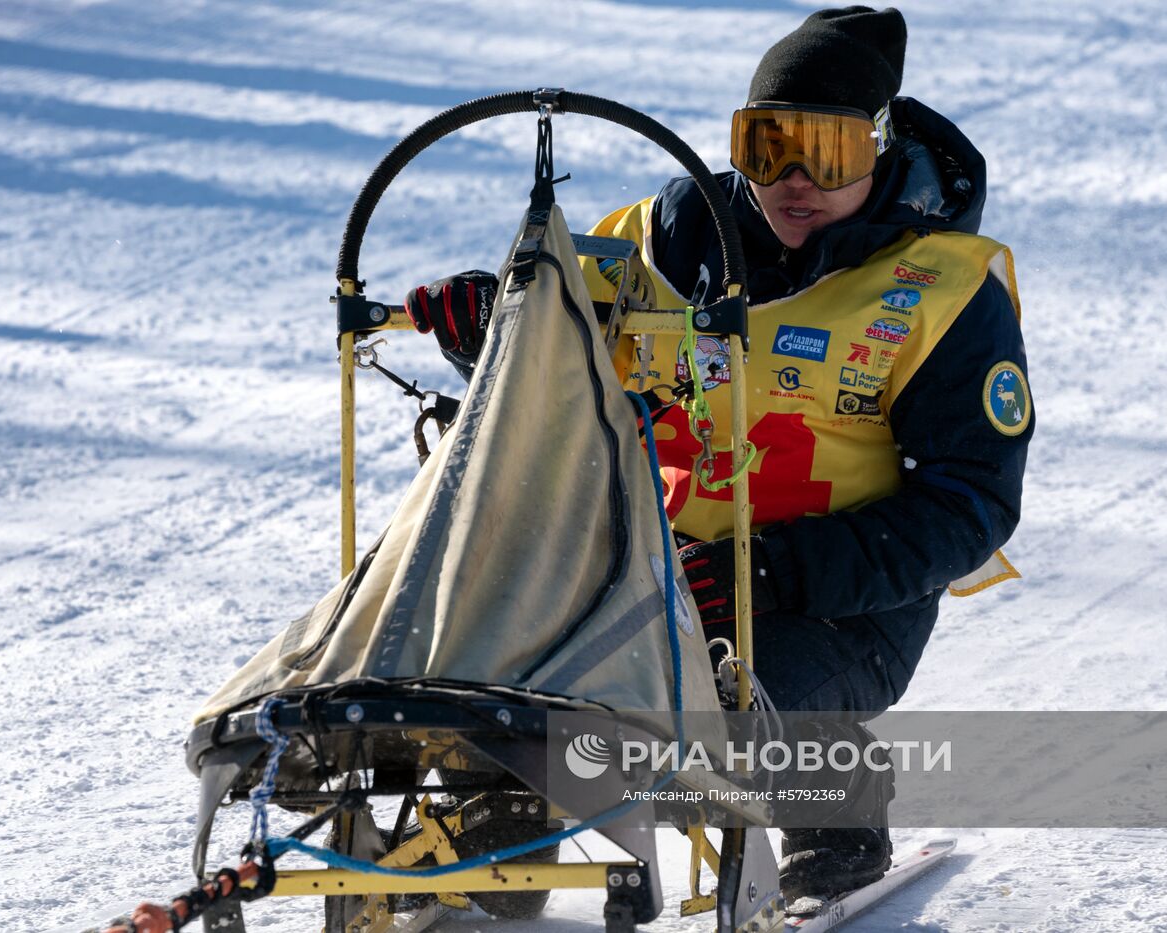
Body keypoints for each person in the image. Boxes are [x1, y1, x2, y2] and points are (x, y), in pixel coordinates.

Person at [405, 5, 1032, 907]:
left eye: (830, 152)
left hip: (832, 606)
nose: (794, 179)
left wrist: (768, 569)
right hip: (646, 571)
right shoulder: (662, 237)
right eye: (768, 143)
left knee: (715, 700)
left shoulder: (943, 288)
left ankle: (835, 801)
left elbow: (969, 505)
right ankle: (499, 825)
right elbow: (549, 345)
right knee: (509, 655)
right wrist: (485, 324)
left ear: (882, 148)